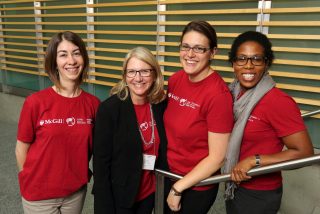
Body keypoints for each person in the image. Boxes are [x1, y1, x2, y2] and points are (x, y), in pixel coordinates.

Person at [224, 31, 314, 214]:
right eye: (242, 59)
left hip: (259, 194)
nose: (248, 66)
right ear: (233, 63)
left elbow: (305, 153)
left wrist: (253, 161)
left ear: (266, 64)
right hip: (234, 184)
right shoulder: (231, 93)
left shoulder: (278, 101)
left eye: (257, 59)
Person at [15, 31, 101, 214]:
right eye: (63, 55)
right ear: (54, 61)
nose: (71, 60)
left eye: (76, 53)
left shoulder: (93, 104)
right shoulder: (35, 102)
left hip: (75, 192)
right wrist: (28, 179)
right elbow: (21, 149)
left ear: (83, 58)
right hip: (39, 194)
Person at [164, 20, 234, 214]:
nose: (190, 54)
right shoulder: (176, 79)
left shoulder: (218, 95)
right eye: (185, 47)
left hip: (195, 184)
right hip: (167, 172)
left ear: (212, 53)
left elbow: (218, 158)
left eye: (199, 49)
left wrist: (178, 188)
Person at [92, 46, 169, 214]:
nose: (138, 78)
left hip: (150, 191)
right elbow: (100, 166)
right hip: (120, 196)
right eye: (132, 72)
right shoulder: (109, 110)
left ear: (154, 74)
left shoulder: (160, 104)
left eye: (144, 71)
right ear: (125, 76)